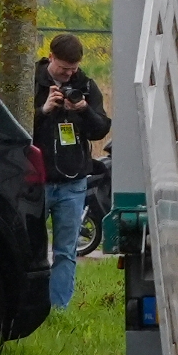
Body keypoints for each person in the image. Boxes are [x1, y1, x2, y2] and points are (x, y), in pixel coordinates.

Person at [32, 33, 110, 308]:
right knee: (32, 248)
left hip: (73, 182)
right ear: (50, 57)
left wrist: (83, 109)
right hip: (36, 181)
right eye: (63, 68)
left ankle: (59, 307)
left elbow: (100, 128)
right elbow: (13, 125)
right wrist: (44, 110)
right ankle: (33, 305)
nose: (68, 74)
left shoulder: (85, 85)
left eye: (72, 69)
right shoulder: (31, 81)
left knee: (66, 250)